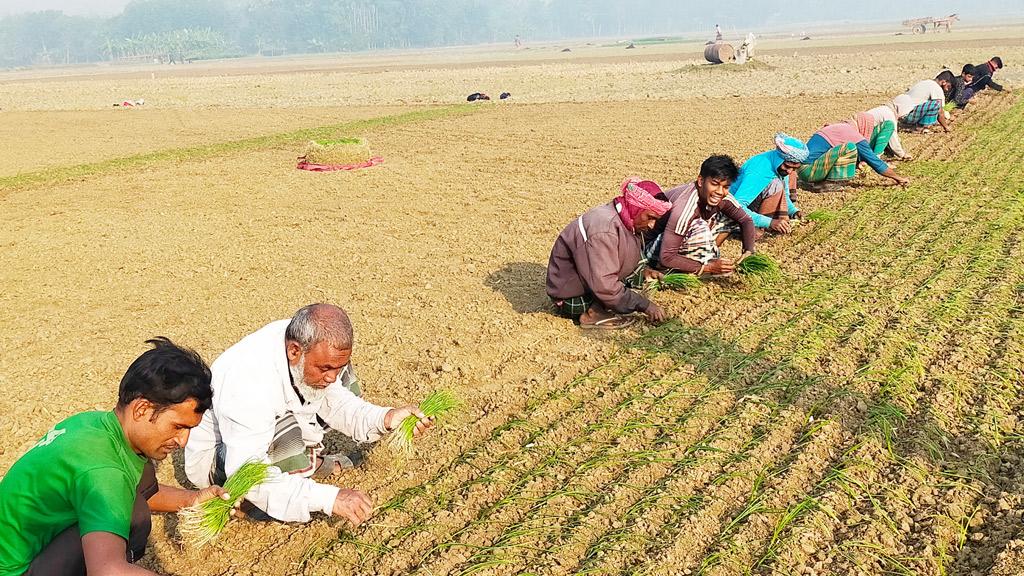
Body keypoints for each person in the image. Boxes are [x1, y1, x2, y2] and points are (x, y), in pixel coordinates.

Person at [184, 304, 435, 527]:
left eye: (336, 366)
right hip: (221, 461)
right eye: (325, 367)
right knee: (286, 435)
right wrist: (330, 499)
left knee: (342, 383)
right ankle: (253, 505)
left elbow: (336, 401)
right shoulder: (249, 384)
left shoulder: (308, 346)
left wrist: (386, 418)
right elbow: (247, 469)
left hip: (268, 426)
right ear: (295, 352)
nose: (331, 376)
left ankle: (307, 467)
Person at [0, 338, 232, 576]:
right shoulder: (104, 471)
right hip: (15, 571)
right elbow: (106, 571)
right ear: (142, 409)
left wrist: (193, 499)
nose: (183, 441)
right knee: (134, 519)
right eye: (178, 427)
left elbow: (128, 491)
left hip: (25, 550)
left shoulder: (94, 424)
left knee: (136, 491)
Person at [546, 177, 672, 330]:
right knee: (610, 294)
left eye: (656, 220)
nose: (652, 225)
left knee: (620, 289)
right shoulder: (604, 231)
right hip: (570, 295)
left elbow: (621, 253)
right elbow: (604, 285)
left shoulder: (626, 218)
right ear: (636, 207)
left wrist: (643, 272)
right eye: (650, 217)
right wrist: (644, 305)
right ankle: (591, 313)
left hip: (587, 277)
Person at [648, 155, 756, 278]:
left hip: (674, 242)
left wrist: (749, 250)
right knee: (699, 225)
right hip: (653, 250)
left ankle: (706, 257)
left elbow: (745, 220)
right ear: (700, 181)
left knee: (729, 218)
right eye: (714, 184)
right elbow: (666, 256)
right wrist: (707, 268)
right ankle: (698, 267)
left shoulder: (722, 197)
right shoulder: (685, 206)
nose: (720, 191)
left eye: (726, 187)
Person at [728, 133, 807, 235]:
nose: (789, 171)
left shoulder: (780, 167)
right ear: (780, 159)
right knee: (775, 184)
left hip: (752, 203)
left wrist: (794, 212)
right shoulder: (759, 172)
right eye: (787, 166)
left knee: (786, 179)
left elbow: (784, 196)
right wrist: (769, 222)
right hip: (730, 210)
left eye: (794, 168)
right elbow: (736, 206)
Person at [799, 120, 909, 188]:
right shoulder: (853, 135)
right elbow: (875, 162)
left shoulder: (839, 128)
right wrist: (898, 178)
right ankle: (830, 183)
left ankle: (822, 181)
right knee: (850, 147)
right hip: (809, 171)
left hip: (804, 170)